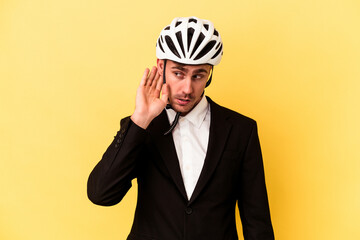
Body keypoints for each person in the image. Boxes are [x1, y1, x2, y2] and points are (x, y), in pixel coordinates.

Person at [87, 16, 275, 240]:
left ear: (210, 75)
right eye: (179, 73)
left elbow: (257, 221)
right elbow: (101, 194)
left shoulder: (241, 130)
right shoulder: (142, 128)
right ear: (161, 66)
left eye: (198, 75)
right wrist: (139, 121)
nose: (187, 88)